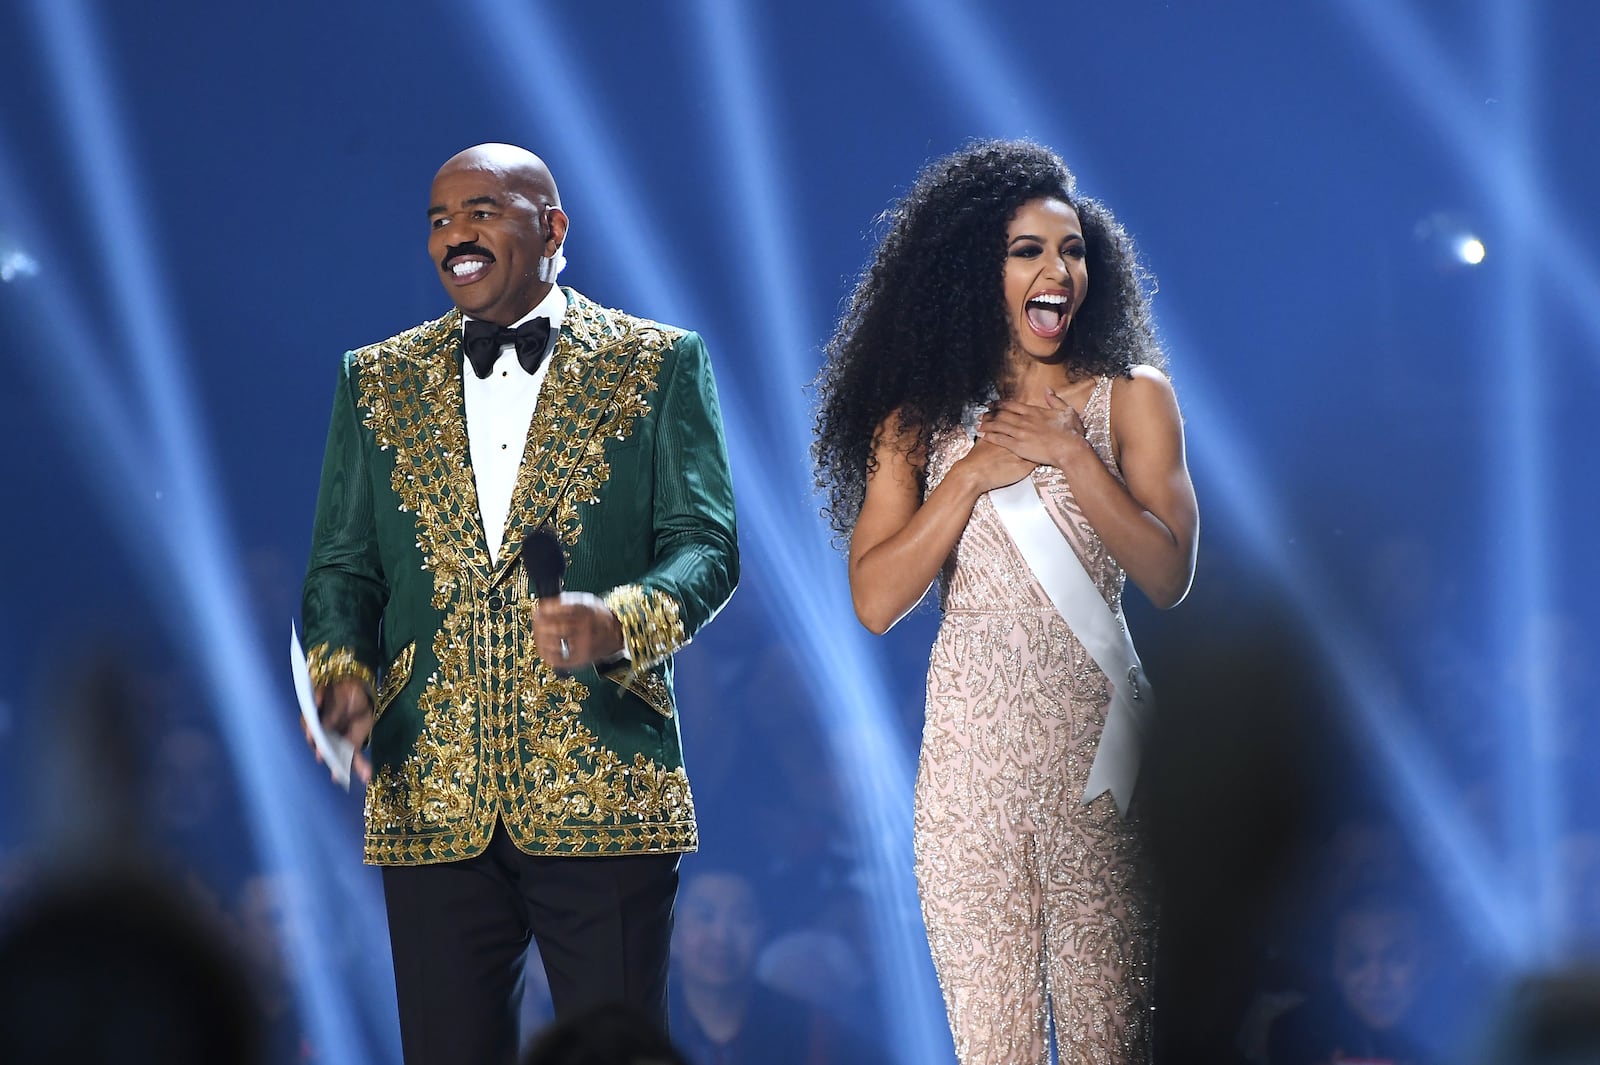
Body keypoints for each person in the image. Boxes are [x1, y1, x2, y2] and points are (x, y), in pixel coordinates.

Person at [301, 143, 739, 1065]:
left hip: (604, 777)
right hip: (430, 787)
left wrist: (620, 620)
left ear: (553, 228)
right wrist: (341, 675)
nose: (456, 233)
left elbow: (707, 545)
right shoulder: (373, 381)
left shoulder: (657, 363)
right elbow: (343, 571)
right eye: (438, 218)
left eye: (483, 210)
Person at [812, 140, 1198, 1064]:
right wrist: (972, 475)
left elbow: (1168, 573)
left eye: (1071, 251)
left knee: (1113, 1046)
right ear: (972, 270)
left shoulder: (1134, 398)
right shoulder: (917, 420)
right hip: (968, 777)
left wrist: (1071, 456)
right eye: (1027, 249)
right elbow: (873, 598)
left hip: (1103, 765)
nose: (1056, 270)